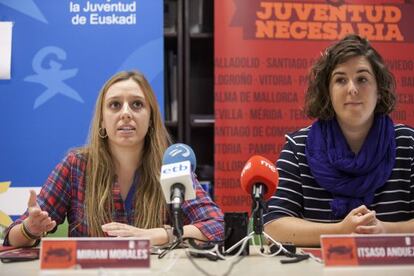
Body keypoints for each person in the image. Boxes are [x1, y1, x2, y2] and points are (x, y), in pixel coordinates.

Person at [3, 71, 224, 247]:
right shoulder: (75, 166)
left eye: (137, 104)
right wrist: (29, 229)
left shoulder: (171, 166)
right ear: (102, 121)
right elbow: (12, 237)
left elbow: (218, 226)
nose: (126, 113)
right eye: (115, 105)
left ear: (151, 120)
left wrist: (158, 234)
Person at [264, 34, 414, 246]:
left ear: (379, 90)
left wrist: (383, 230)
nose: (352, 89)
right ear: (328, 92)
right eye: (341, 80)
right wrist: (341, 231)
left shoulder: (408, 143)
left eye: (362, 79)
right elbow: (273, 226)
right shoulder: (298, 147)